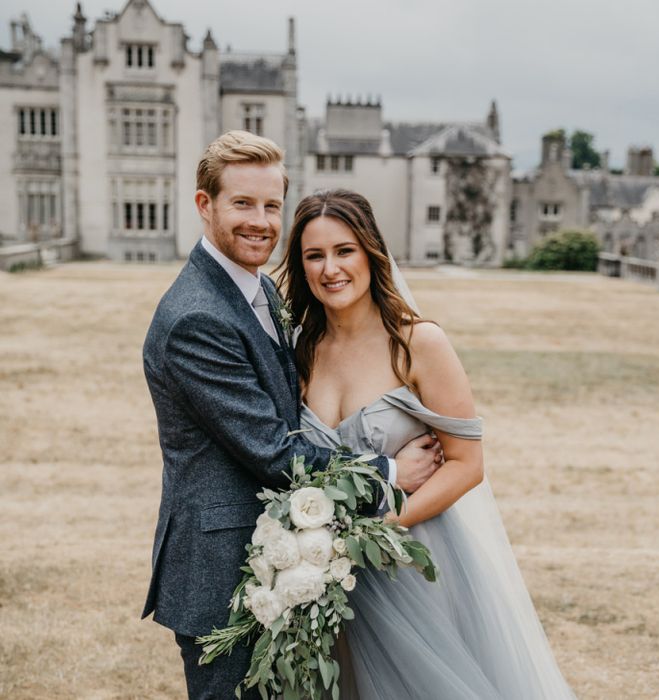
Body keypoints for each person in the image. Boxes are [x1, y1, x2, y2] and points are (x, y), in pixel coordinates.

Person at [141, 132, 441, 700]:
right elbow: (273, 451)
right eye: (242, 203)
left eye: (272, 205)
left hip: (287, 565)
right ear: (204, 206)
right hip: (222, 575)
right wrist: (391, 474)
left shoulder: (260, 293)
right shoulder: (196, 319)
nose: (261, 221)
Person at [277, 189, 575, 699]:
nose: (331, 268)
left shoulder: (418, 343)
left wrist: (375, 531)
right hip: (323, 577)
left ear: (371, 251)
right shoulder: (300, 349)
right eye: (315, 255)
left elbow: (466, 464)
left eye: (344, 250)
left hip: (409, 561)